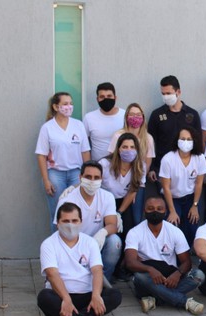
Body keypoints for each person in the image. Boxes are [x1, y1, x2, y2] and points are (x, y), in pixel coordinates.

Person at [37, 202, 121, 316]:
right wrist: (66, 299)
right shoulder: (48, 244)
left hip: (86, 295)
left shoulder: (90, 242)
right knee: (44, 297)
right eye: (65, 221)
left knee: (115, 295)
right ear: (57, 223)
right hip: (61, 296)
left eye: (74, 220)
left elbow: (97, 271)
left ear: (81, 222)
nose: (70, 225)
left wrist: (96, 296)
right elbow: (52, 275)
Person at [124, 196, 205, 315]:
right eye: (150, 208)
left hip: (170, 278)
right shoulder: (135, 232)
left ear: (165, 211)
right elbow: (130, 262)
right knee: (140, 277)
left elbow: (187, 262)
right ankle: (185, 302)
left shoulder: (174, 231)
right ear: (144, 211)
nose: (155, 211)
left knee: (199, 275)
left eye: (159, 209)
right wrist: (150, 269)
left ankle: (155, 299)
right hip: (149, 279)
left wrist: (177, 274)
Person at [54, 161, 121, 281]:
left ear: (101, 179)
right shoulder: (67, 199)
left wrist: (102, 233)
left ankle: (103, 280)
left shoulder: (107, 197)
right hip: (74, 243)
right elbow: (60, 231)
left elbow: (112, 224)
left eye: (96, 178)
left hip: (97, 242)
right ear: (80, 177)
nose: (92, 181)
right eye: (88, 177)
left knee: (114, 242)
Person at [36, 92, 90, 227]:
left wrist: (87, 175)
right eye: (65, 104)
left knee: (78, 212)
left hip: (76, 173)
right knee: (57, 214)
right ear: (55, 106)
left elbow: (85, 151)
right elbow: (41, 155)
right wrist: (46, 180)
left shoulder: (78, 125)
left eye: (71, 103)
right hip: (55, 174)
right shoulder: (47, 128)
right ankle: (58, 247)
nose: (69, 106)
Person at [147, 75, 201, 188]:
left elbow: (198, 143)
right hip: (163, 169)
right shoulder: (156, 115)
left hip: (189, 170)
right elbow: (150, 144)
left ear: (178, 92)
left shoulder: (192, 114)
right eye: (163, 94)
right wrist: (151, 168)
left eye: (169, 93)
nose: (166, 96)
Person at [159, 126, 206, 246]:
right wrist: (172, 211)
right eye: (183, 138)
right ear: (177, 140)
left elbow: (199, 183)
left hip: (191, 198)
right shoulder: (168, 159)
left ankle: (189, 253)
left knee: (192, 227)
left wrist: (195, 205)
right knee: (173, 225)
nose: (186, 142)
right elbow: (166, 187)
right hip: (173, 198)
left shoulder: (200, 158)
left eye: (189, 139)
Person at [108, 103, 156, 224]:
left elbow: (147, 162)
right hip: (118, 181)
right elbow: (112, 158)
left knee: (135, 217)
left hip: (138, 182)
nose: (135, 117)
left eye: (138, 114)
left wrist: (135, 186)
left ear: (143, 117)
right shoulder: (118, 135)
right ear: (126, 117)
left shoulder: (148, 138)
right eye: (132, 114)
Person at [99, 133, 144, 236]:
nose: (129, 150)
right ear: (118, 149)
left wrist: (119, 213)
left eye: (132, 147)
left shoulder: (140, 167)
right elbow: (95, 183)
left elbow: (133, 191)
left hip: (124, 202)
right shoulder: (104, 164)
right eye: (125, 147)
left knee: (128, 232)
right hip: (105, 202)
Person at [83, 82, 125, 161]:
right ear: (97, 99)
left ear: (115, 97)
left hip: (121, 165)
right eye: (102, 96)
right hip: (97, 168)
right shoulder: (89, 118)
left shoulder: (125, 115)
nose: (106, 99)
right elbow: (84, 145)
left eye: (109, 96)